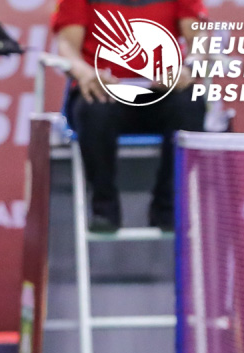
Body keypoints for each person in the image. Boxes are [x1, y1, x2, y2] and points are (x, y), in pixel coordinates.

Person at [52, 0, 208, 232]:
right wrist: (85, 73)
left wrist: (188, 68)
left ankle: (168, 208)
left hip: (161, 92)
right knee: (94, 108)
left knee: (191, 103)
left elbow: (198, 38)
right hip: (105, 91)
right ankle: (104, 209)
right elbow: (67, 45)